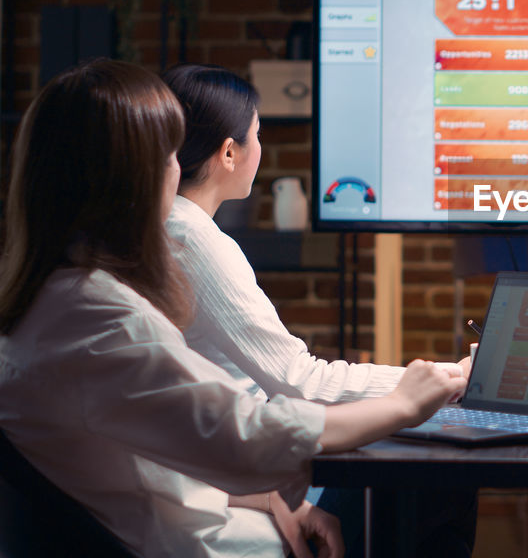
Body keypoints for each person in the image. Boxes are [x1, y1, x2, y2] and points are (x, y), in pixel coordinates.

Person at [0, 59, 467, 558]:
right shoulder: (108, 320)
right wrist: (406, 402)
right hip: (203, 545)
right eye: (166, 156)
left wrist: (270, 498)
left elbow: (151, 456)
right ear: (134, 178)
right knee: (439, 468)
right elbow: (250, 434)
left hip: (200, 509)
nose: (176, 169)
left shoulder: (43, 304)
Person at [161, 63, 476, 556]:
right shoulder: (194, 239)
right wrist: (445, 378)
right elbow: (300, 381)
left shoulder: (167, 230)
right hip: (239, 474)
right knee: (437, 465)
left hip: (235, 473)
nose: (260, 149)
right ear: (228, 152)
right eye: (257, 135)